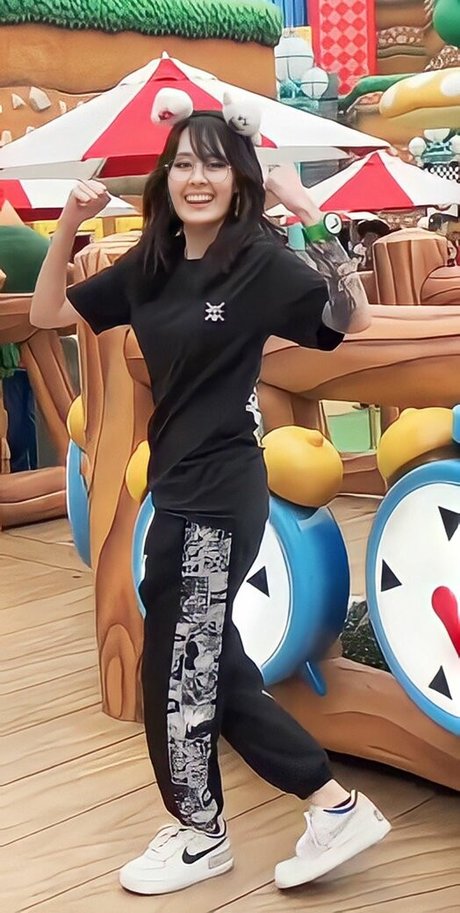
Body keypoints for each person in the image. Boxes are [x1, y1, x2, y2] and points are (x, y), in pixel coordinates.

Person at [30, 91, 390, 896]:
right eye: (184, 162)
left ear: (240, 180)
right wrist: (68, 222)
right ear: (166, 175)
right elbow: (50, 310)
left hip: (220, 491)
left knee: (182, 667)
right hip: (177, 486)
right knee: (206, 659)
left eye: (215, 165)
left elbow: (352, 321)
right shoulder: (152, 265)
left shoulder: (256, 262)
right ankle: (330, 805)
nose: (198, 177)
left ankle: (204, 831)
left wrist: (309, 214)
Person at [0, 197, 51, 470]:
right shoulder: (37, 244)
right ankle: (25, 468)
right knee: (24, 418)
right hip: (30, 347)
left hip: (12, 355)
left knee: (16, 419)